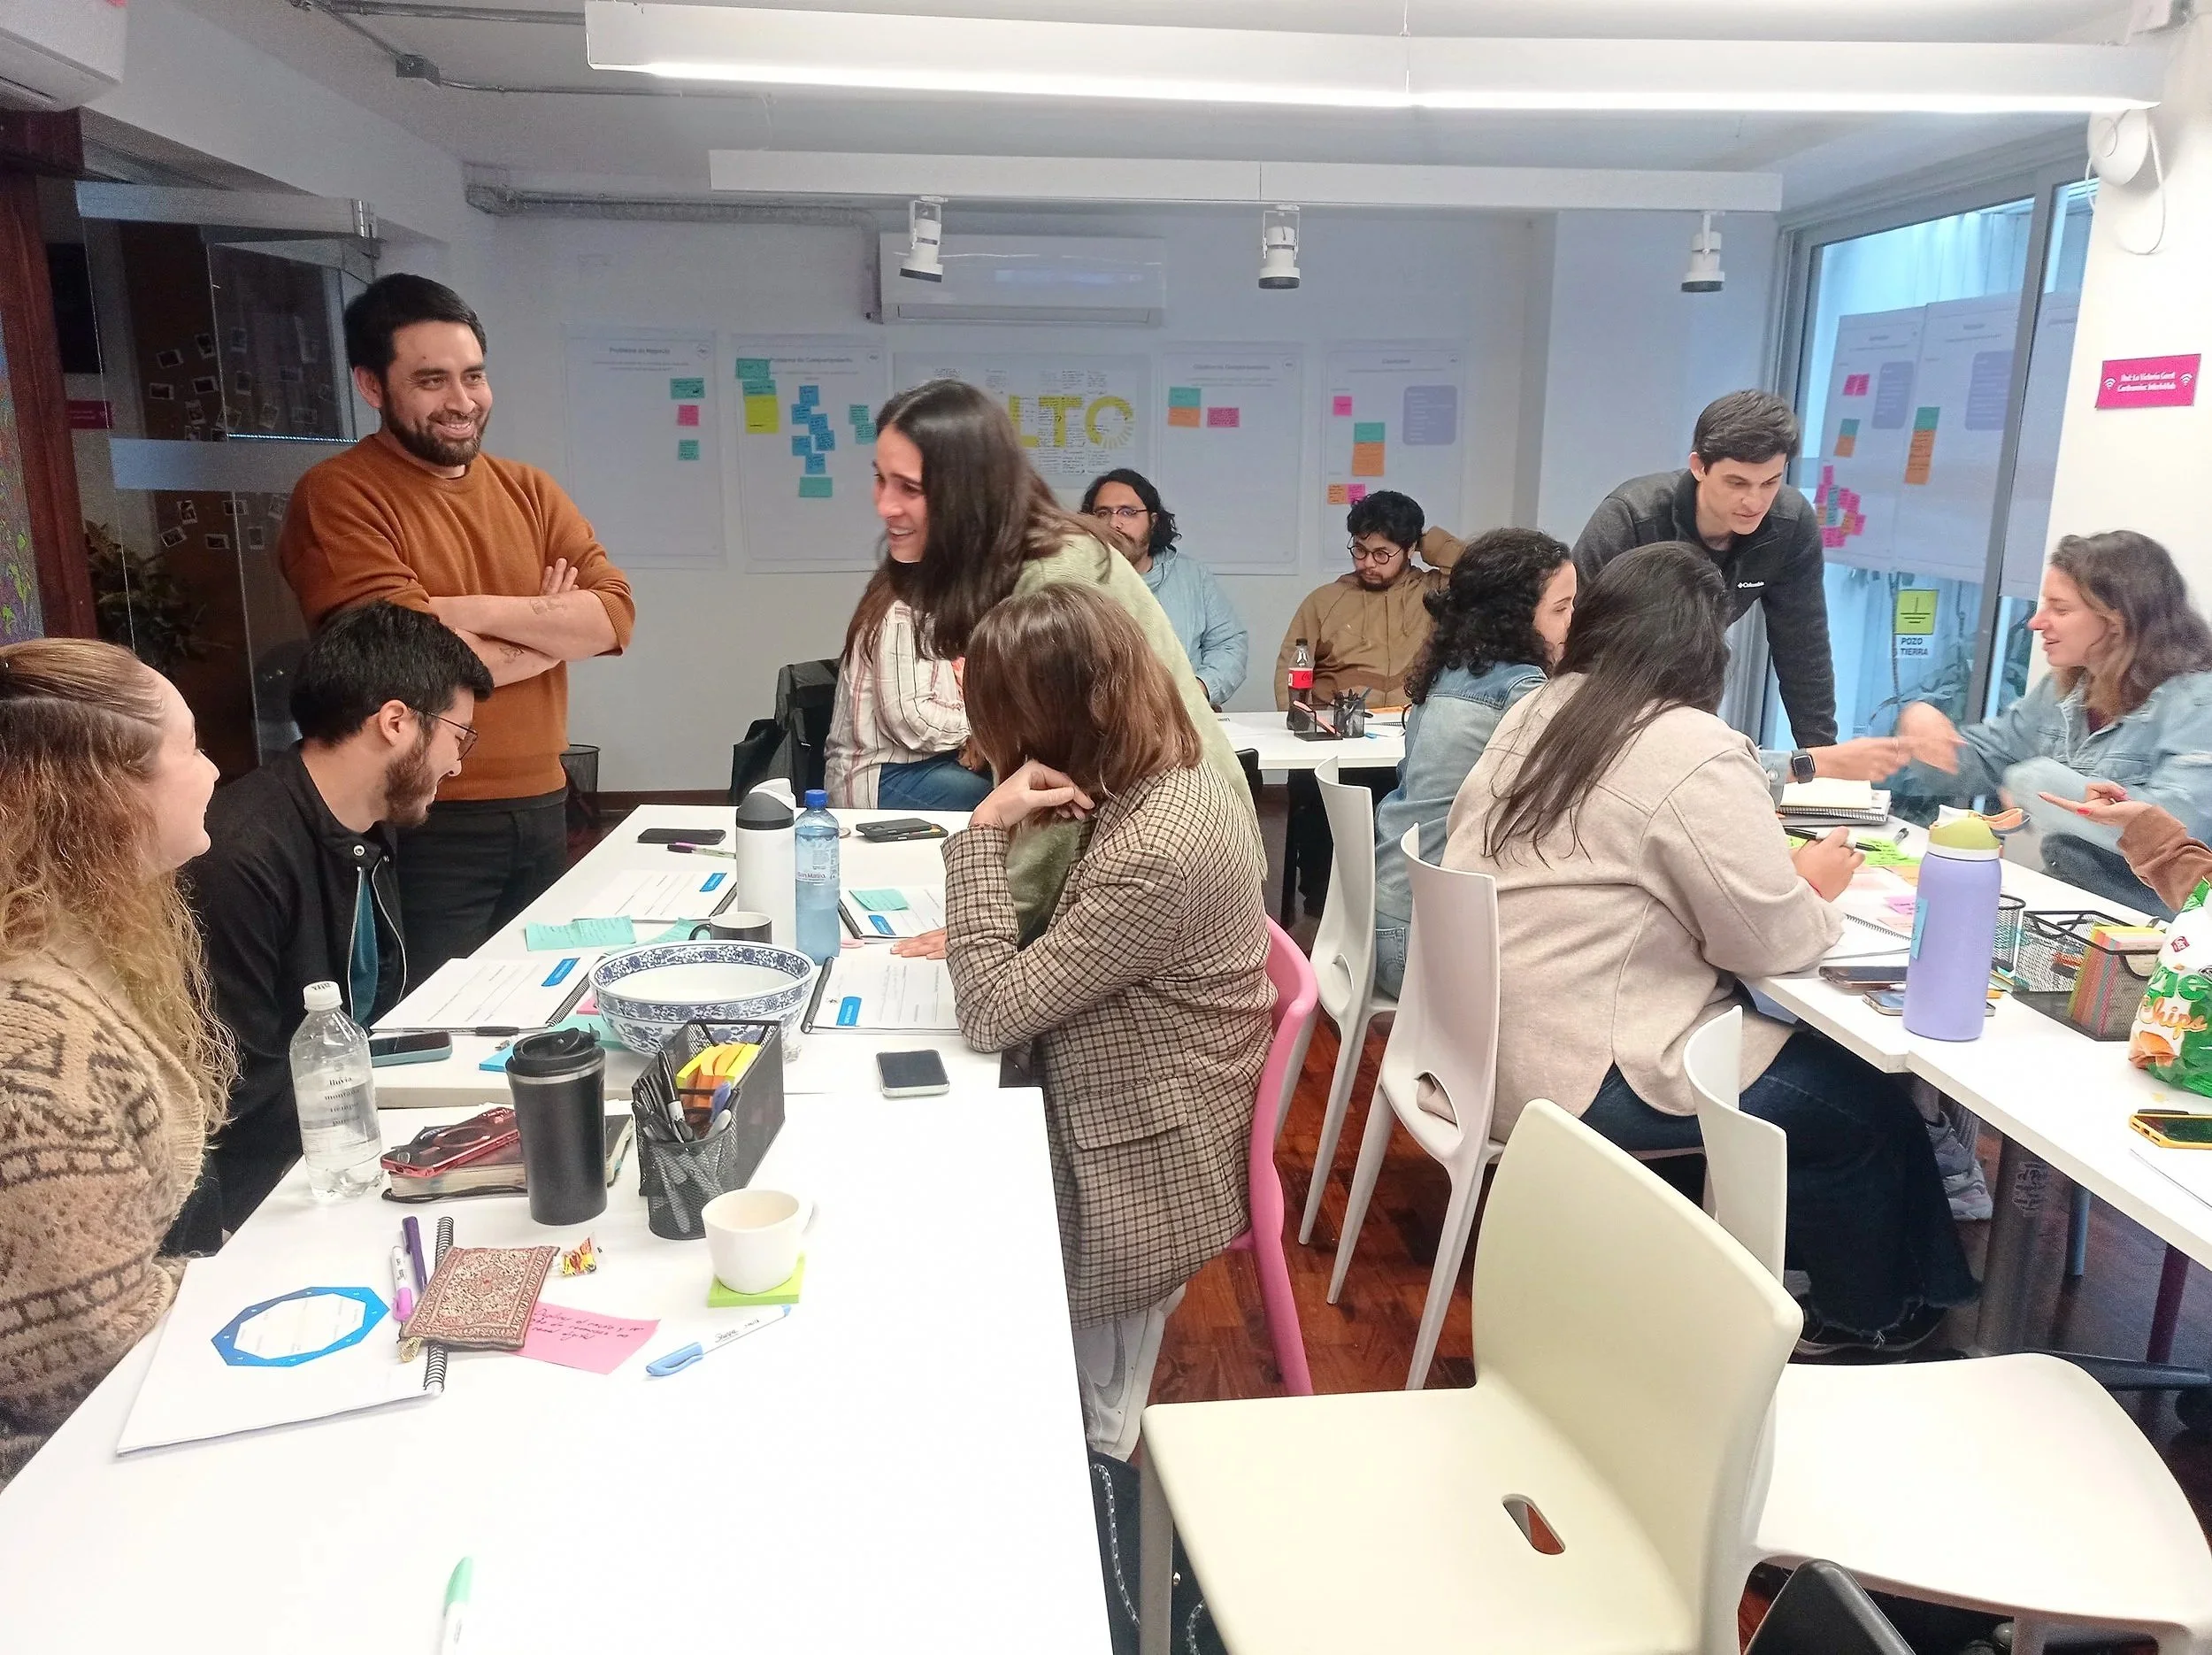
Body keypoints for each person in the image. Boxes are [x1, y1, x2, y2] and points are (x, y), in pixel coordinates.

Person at [1444, 543, 1977, 1354]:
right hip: (1591, 1073)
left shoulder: (1541, 710)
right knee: (1868, 1110)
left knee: (1830, 1085)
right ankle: (1874, 1325)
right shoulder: (1687, 744)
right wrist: (1813, 886)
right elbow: (1772, 941)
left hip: (1486, 1051)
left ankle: (1849, 1291)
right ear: (1706, 649)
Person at [940, 583, 1271, 1457]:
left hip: (1143, 1163)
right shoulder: (1165, 768)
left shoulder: (1154, 849)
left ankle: (1093, 1485)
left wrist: (984, 829)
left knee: (1079, 1423)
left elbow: (990, 1010)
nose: (989, 749)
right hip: (1139, 1099)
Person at [277, 273, 636, 971]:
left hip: (541, 800)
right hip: (419, 814)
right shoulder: (338, 493)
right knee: (431, 1024)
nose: (462, 402)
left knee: (538, 997)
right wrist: (546, 631)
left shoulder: (529, 489)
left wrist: (462, 613)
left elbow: (614, 615)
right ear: (373, 385)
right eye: (432, 380)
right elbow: (397, 666)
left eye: (474, 376)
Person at [869, 378, 1258, 950]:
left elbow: (1057, 791)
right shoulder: (1008, 561)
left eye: (910, 487)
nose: (885, 505)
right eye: (880, 479)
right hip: (1136, 838)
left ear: (969, 494)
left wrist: (987, 927)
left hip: (1169, 854)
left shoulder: (1051, 578)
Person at [0, 640, 232, 1487]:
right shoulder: (26, 1055)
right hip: (55, 1497)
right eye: (191, 747)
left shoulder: (71, 944)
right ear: (103, 793)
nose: (212, 773)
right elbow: (93, 1360)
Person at [184, 604, 492, 1235]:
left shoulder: (372, 822)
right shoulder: (237, 857)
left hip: (351, 1139)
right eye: (458, 735)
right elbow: (241, 1090)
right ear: (397, 722)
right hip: (277, 1196)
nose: (458, 763)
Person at [1574, 389, 1905, 789]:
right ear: (1698, 466)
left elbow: (1803, 646)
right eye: (1737, 482)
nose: (1755, 500)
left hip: (1692, 705)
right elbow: (1576, 638)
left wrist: (1824, 764)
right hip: (1606, 696)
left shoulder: (1790, 522)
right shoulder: (1631, 517)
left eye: (1770, 482)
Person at [1896, 531, 2212, 916]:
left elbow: (2178, 830)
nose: (2036, 622)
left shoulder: (2199, 700)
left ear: (2116, 621)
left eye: (2059, 609)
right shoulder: (2069, 686)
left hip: (2151, 935)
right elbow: (1981, 760)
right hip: (2066, 904)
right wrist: (1922, 726)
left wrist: (2033, 783)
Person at [1371, 528, 1575, 997]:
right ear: (1516, 618)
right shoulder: (1521, 693)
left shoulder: (1449, 671)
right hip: (1428, 949)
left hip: (1389, 921)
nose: (1572, 623)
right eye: (1560, 609)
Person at [1273, 489, 1464, 918]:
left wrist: (1435, 542)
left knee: (1407, 827)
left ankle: (1392, 909)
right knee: (1323, 822)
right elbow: (1294, 664)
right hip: (1336, 740)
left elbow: (1488, 570)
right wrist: (1301, 714)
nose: (1366, 564)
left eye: (1382, 554)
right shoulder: (1325, 600)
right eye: (1359, 550)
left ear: (1410, 549)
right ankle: (1320, 907)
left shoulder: (1438, 593)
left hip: (1410, 744)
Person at [1080, 468, 1248, 709]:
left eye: (1127, 512)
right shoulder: (1075, 579)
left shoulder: (1191, 576)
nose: (1114, 523)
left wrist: (1199, 688)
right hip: (1101, 722)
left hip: (1183, 716)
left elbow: (1230, 643)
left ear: (1153, 520)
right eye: (1102, 513)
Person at [826, 570, 990, 810]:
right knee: (1006, 799)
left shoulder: (935, 615)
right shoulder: (903, 616)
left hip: (926, 763)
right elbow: (910, 719)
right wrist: (976, 730)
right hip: (882, 775)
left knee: (1014, 784)